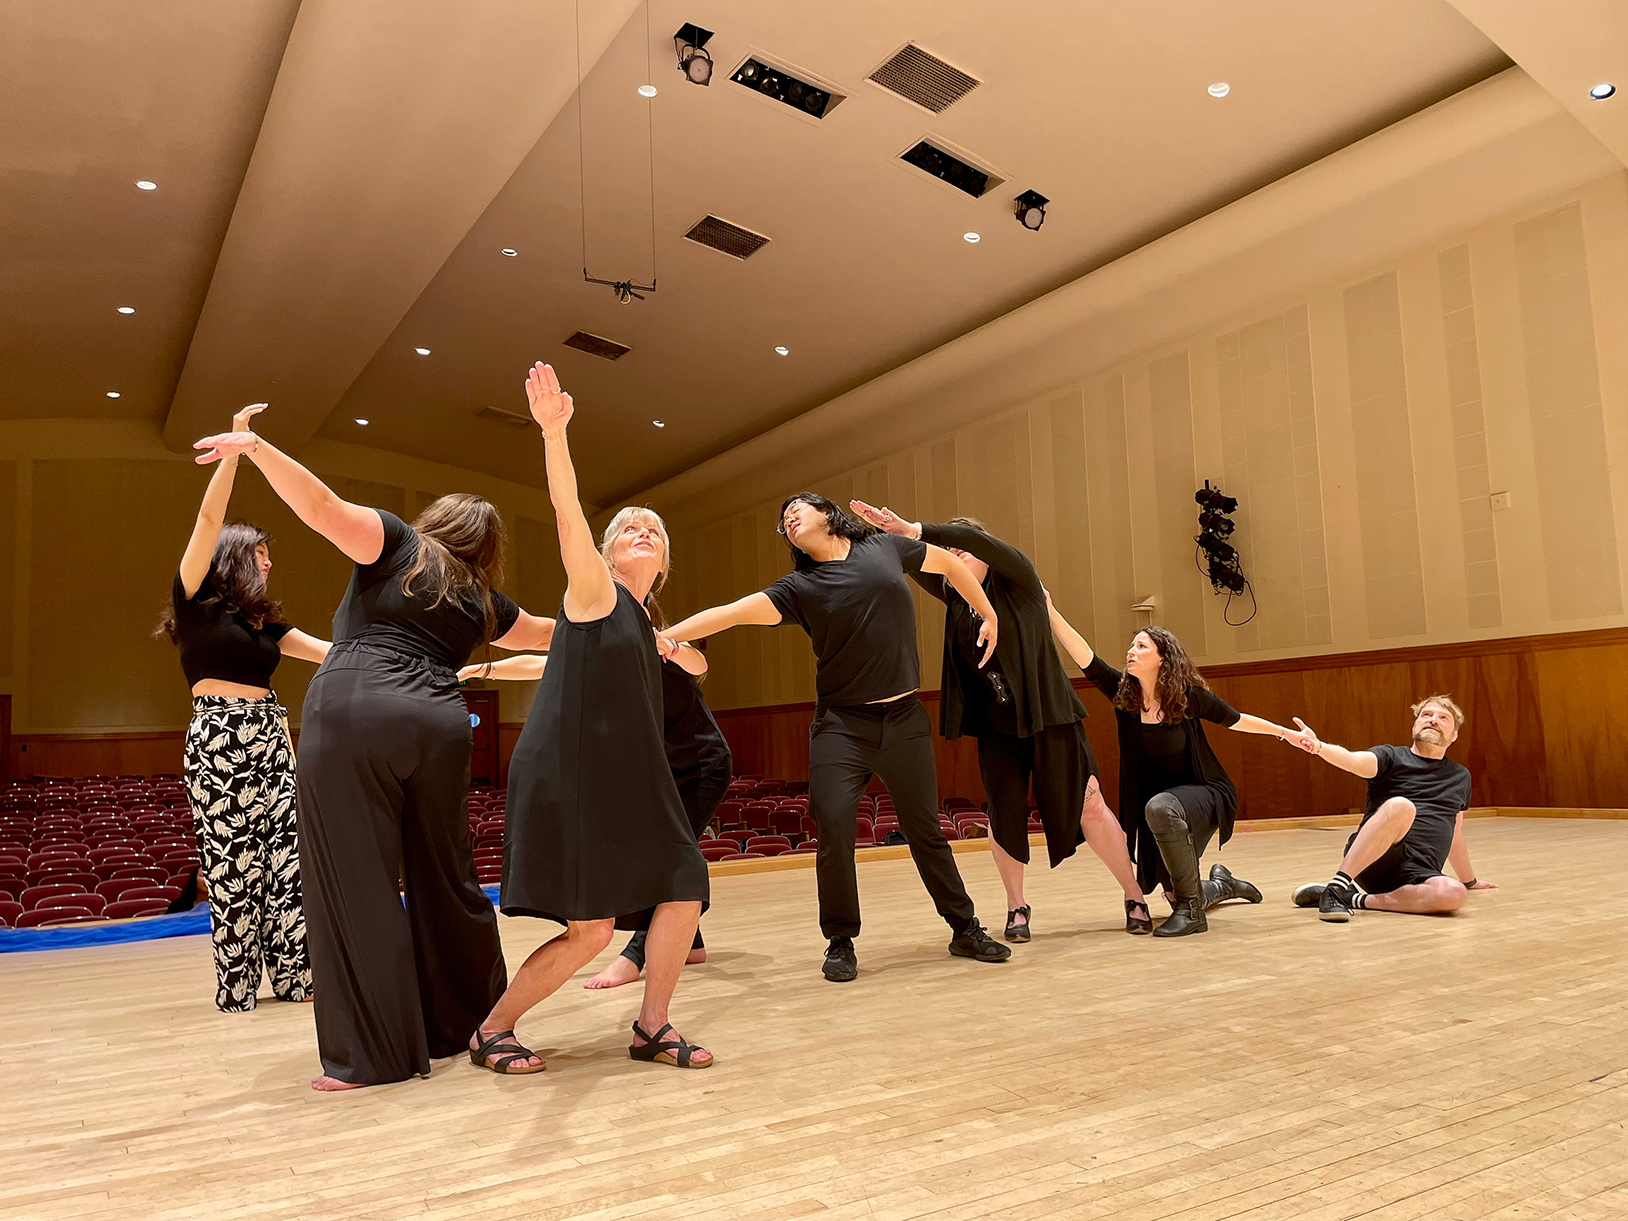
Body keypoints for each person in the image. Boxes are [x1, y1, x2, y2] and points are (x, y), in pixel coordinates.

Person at [192, 411, 555, 1091]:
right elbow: (549, 634)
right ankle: (473, 1024)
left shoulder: (399, 542)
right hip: (444, 722)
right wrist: (627, 627)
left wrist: (259, 448)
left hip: (360, 706)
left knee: (354, 880)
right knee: (447, 878)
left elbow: (321, 507)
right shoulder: (484, 598)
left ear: (437, 522)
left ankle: (375, 1055)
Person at [661, 493, 1011, 982]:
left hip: (905, 719)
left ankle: (964, 927)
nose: (788, 517)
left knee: (925, 831)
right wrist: (663, 638)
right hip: (841, 726)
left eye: (796, 508)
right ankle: (840, 940)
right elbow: (730, 612)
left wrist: (988, 613)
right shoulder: (798, 587)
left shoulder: (886, 548)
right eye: (783, 520)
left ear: (828, 513)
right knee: (834, 826)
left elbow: (952, 566)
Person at [477, 363, 712, 1074]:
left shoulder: (643, 620)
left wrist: (677, 646)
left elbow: (697, 664)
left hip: (629, 780)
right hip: (571, 776)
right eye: (629, 528)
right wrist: (555, 434)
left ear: (664, 561)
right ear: (607, 551)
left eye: (653, 531)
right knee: (592, 931)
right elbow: (566, 512)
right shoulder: (595, 590)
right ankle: (493, 1029)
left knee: (684, 886)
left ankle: (652, 1025)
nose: (641, 532)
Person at [848, 501, 1152, 938]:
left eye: (963, 552)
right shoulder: (954, 593)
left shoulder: (1021, 583)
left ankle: (1133, 895)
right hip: (997, 726)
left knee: (1089, 805)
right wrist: (889, 537)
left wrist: (915, 528)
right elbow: (917, 564)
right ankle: (1017, 907)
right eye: (949, 557)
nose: (956, 560)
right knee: (1002, 815)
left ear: (985, 553)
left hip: (1050, 716)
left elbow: (971, 540)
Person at [455, 524, 730, 991]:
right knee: (676, 866)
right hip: (658, 765)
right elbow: (545, 660)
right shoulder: (608, 637)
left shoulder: (652, 640)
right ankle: (691, 943)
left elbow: (700, 666)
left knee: (676, 863)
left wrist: (671, 645)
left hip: (699, 762)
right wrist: (481, 668)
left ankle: (636, 953)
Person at [157, 402, 327, 1012]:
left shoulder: (265, 622)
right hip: (217, 738)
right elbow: (207, 517)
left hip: (272, 736)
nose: (269, 561)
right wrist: (235, 451)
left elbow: (332, 654)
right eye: (261, 552)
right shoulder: (194, 601)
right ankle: (237, 988)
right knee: (232, 869)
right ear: (237, 555)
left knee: (286, 864)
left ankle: (296, 979)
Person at [1046, 602, 1290, 936]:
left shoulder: (1189, 697)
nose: (1131, 651)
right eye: (1132, 646)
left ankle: (1193, 915)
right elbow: (1085, 658)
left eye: (1141, 646)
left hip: (1202, 795)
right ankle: (1222, 885)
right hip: (1156, 811)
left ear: (1163, 658)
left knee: (1161, 809)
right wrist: (1049, 610)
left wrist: (1286, 734)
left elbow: (1237, 720)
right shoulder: (1125, 698)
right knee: (1175, 891)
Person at [1286, 695, 1496, 921]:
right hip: (1375, 860)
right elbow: (1353, 760)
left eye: (1443, 718)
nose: (1433, 720)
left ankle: (1354, 899)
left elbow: (1454, 833)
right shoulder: (1391, 757)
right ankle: (1337, 888)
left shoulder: (1460, 776)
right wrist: (1319, 747)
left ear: (1454, 735)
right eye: (1426, 715)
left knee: (1453, 894)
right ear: (1415, 725)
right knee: (1402, 806)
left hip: (1422, 871)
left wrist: (1469, 882)